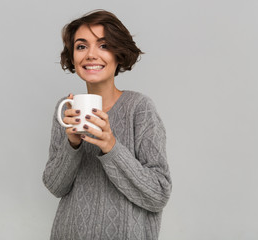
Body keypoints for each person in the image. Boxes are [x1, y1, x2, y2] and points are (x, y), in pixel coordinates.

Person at [43, 10, 172, 240]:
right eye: (81, 46)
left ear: (118, 54)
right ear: (72, 56)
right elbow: (55, 187)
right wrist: (72, 145)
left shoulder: (139, 108)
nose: (91, 54)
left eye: (103, 45)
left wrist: (111, 147)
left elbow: (158, 194)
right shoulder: (66, 110)